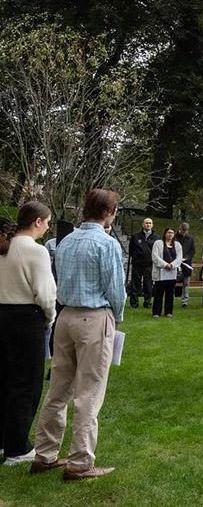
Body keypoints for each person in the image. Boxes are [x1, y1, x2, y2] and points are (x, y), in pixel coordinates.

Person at [32, 189, 124, 480]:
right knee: (89, 392)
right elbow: (116, 290)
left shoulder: (65, 241)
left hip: (66, 316)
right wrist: (117, 318)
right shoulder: (106, 244)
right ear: (108, 213)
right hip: (93, 317)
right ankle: (80, 462)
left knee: (58, 388)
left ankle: (44, 454)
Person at [0, 202, 56, 466]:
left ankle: (3, 442)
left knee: (4, 379)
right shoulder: (37, 251)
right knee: (27, 384)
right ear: (37, 222)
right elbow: (45, 295)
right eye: (47, 222)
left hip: (2, 316)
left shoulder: (4, 247)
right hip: (26, 319)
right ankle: (17, 447)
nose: (47, 227)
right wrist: (49, 318)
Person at [151, 228, 183, 319]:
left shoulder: (177, 245)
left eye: (172, 233)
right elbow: (155, 256)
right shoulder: (158, 243)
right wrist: (165, 264)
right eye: (168, 232)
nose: (170, 234)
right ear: (165, 233)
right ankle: (156, 312)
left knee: (170, 293)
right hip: (160, 272)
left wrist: (172, 265)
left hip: (172, 272)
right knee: (158, 293)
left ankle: (168, 312)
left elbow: (179, 257)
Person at [127, 218, 157, 309]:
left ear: (152, 225)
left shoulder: (156, 237)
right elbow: (131, 249)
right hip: (137, 264)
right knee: (135, 284)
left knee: (148, 284)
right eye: (146, 223)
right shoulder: (136, 236)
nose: (148, 224)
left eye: (150, 223)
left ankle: (147, 302)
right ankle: (134, 303)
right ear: (143, 224)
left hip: (149, 264)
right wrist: (136, 257)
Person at [174, 222, 196, 307]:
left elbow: (192, 250)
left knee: (186, 283)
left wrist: (186, 257)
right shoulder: (175, 237)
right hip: (175, 262)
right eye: (183, 230)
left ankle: (184, 301)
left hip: (186, 263)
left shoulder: (190, 238)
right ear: (180, 228)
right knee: (172, 282)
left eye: (185, 230)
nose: (184, 232)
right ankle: (171, 299)